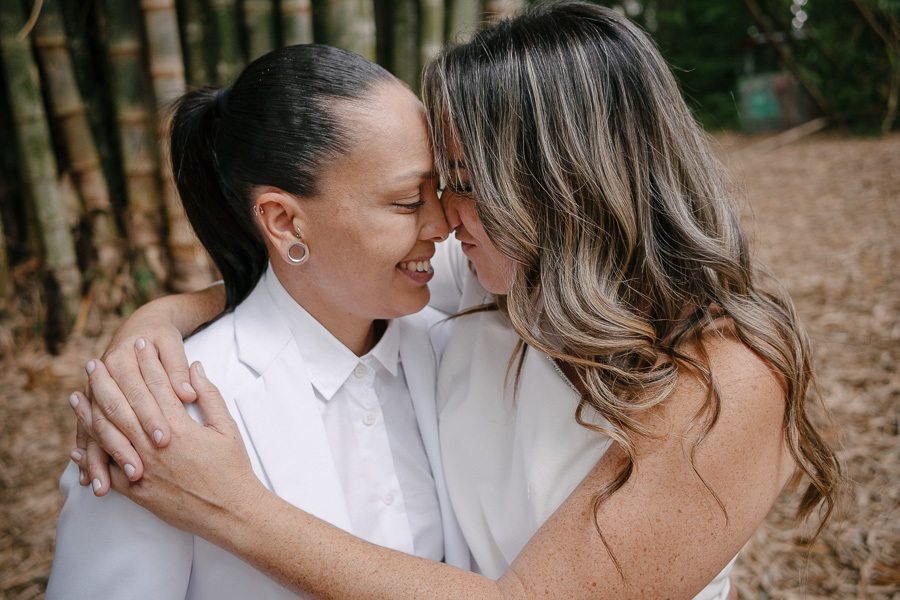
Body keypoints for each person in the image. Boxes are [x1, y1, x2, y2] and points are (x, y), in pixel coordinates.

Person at [69, 3, 841, 599]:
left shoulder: (727, 379)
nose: (443, 218)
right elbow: (316, 280)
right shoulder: (499, 273)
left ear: (565, 186)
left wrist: (227, 504)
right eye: (433, 189)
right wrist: (151, 333)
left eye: (464, 184)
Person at [47, 43, 469, 600]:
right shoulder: (165, 412)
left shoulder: (454, 348)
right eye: (408, 200)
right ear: (285, 221)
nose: (443, 223)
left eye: (438, 189)